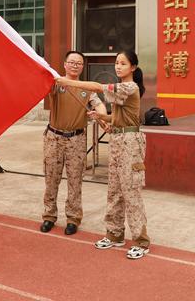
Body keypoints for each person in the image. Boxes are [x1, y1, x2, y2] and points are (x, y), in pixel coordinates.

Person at [56, 50, 150, 260]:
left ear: (133, 68)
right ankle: (115, 234)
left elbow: (98, 88)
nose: (118, 67)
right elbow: (117, 116)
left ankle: (141, 241)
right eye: (116, 63)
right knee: (114, 190)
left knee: (131, 191)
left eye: (122, 64)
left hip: (130, 144)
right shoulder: (120, 90)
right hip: (117, 141)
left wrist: (68, 82)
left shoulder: (129, 87)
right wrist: (101, 116)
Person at [41, 50, 106, 235]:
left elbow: (98, 104)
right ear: (65, 64)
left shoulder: (87, 88)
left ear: (83, 66)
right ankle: (49, 216)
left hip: (76, 139)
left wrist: (102, 115)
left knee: (75, 180)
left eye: (79, 63)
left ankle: (73, 218)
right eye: (72, 62)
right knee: (51, 179)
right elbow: (42, 87)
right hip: (54, 137)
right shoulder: (57, 83)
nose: (75, 65)